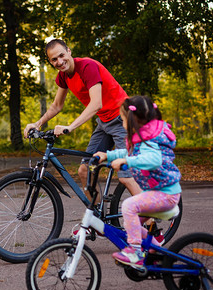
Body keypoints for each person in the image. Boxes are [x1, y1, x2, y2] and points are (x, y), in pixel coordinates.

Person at [23, 38, 141, 196]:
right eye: (54, 59)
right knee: (85, 170)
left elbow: (96, 104)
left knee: (125, 176)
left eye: (61, 55)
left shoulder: (87, 66)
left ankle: (150, 217)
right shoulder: (63, 76)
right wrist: (37, 124)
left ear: (69, 51)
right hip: (104, 122)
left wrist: (70, 127)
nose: (59, 61)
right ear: (51, 62)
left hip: (123, 120)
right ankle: (97, 219)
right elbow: (57, 105)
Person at [94, 95, 181, 268]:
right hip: (157, 192)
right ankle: (157, 252)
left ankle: (135, 253)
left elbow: (154, 160)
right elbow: (129, 153)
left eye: (123, 119)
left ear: (133, 120)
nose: (121, 122)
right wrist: (108, 155)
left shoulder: (150, 140)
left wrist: (128, 162)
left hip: (166, 195)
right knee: (131, 224)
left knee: (128, 206)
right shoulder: (142, 136)